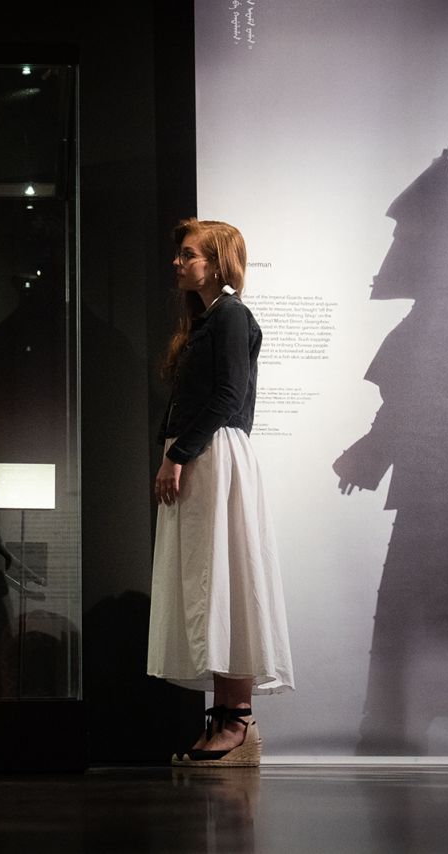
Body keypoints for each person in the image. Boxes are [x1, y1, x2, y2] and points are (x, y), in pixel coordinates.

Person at [148, 218, 295, 766]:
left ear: (216, 262)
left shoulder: (231, 316)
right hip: (203, 455)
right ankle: (232, 718)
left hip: (214, 455)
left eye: (188, 254)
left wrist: (177, 453)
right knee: (212, 581)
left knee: (227, 578)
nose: (178, 263)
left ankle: (238, 721)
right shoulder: (208, 321)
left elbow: (229, 396)